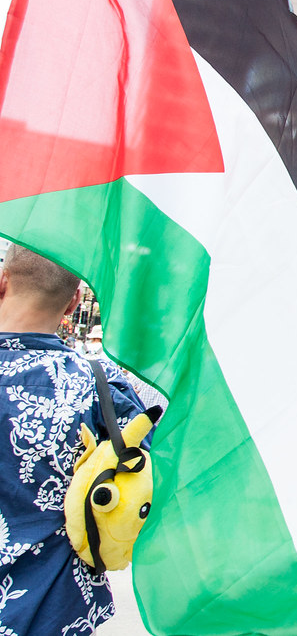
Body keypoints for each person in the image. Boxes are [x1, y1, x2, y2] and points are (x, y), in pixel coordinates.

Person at [0, 245, 147, 634]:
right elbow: (147, 485)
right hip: (56, 608)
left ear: (2, 282)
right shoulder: (102, 390)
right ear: (73, 304)